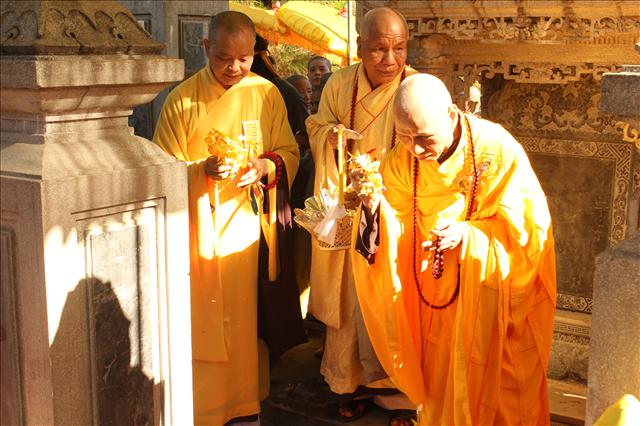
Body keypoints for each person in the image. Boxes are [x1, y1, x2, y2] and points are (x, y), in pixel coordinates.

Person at [349, 73, 557, 425]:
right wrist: (372, 206)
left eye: (423, 137)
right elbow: (393, 222)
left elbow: (528, 233)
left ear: (450, 114)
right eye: (404, 136)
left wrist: (469, 236)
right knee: (442, 387)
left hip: (490, 296)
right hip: (436, 299)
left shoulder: (497, 150)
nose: (415, 149)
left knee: (502, 393)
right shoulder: (402, 160)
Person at [153, 11, 300, 425]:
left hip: (249, 228)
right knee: (203, 319)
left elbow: (288, 152)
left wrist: (264, 166)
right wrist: (202, 170)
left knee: (245, 322)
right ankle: (202, 408)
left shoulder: (266, 94)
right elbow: (162, 169)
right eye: (223, 58)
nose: (234, 67)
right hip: (198, 230)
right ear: (205, 48)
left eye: (244, 58)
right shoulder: (181, 99)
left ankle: (244, 404)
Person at [305, 7, 417, 424]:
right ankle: (348, 382)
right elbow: (317, 126)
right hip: (348, 203)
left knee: (391, 300)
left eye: (399, 48)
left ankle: (399, 393)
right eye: (378, 49)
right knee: (349, 296)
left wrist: (383, 185)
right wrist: (334, 139)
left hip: (393, 209)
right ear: (359, 47)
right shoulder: (339, 83)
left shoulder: (415, 87)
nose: (390, 60)